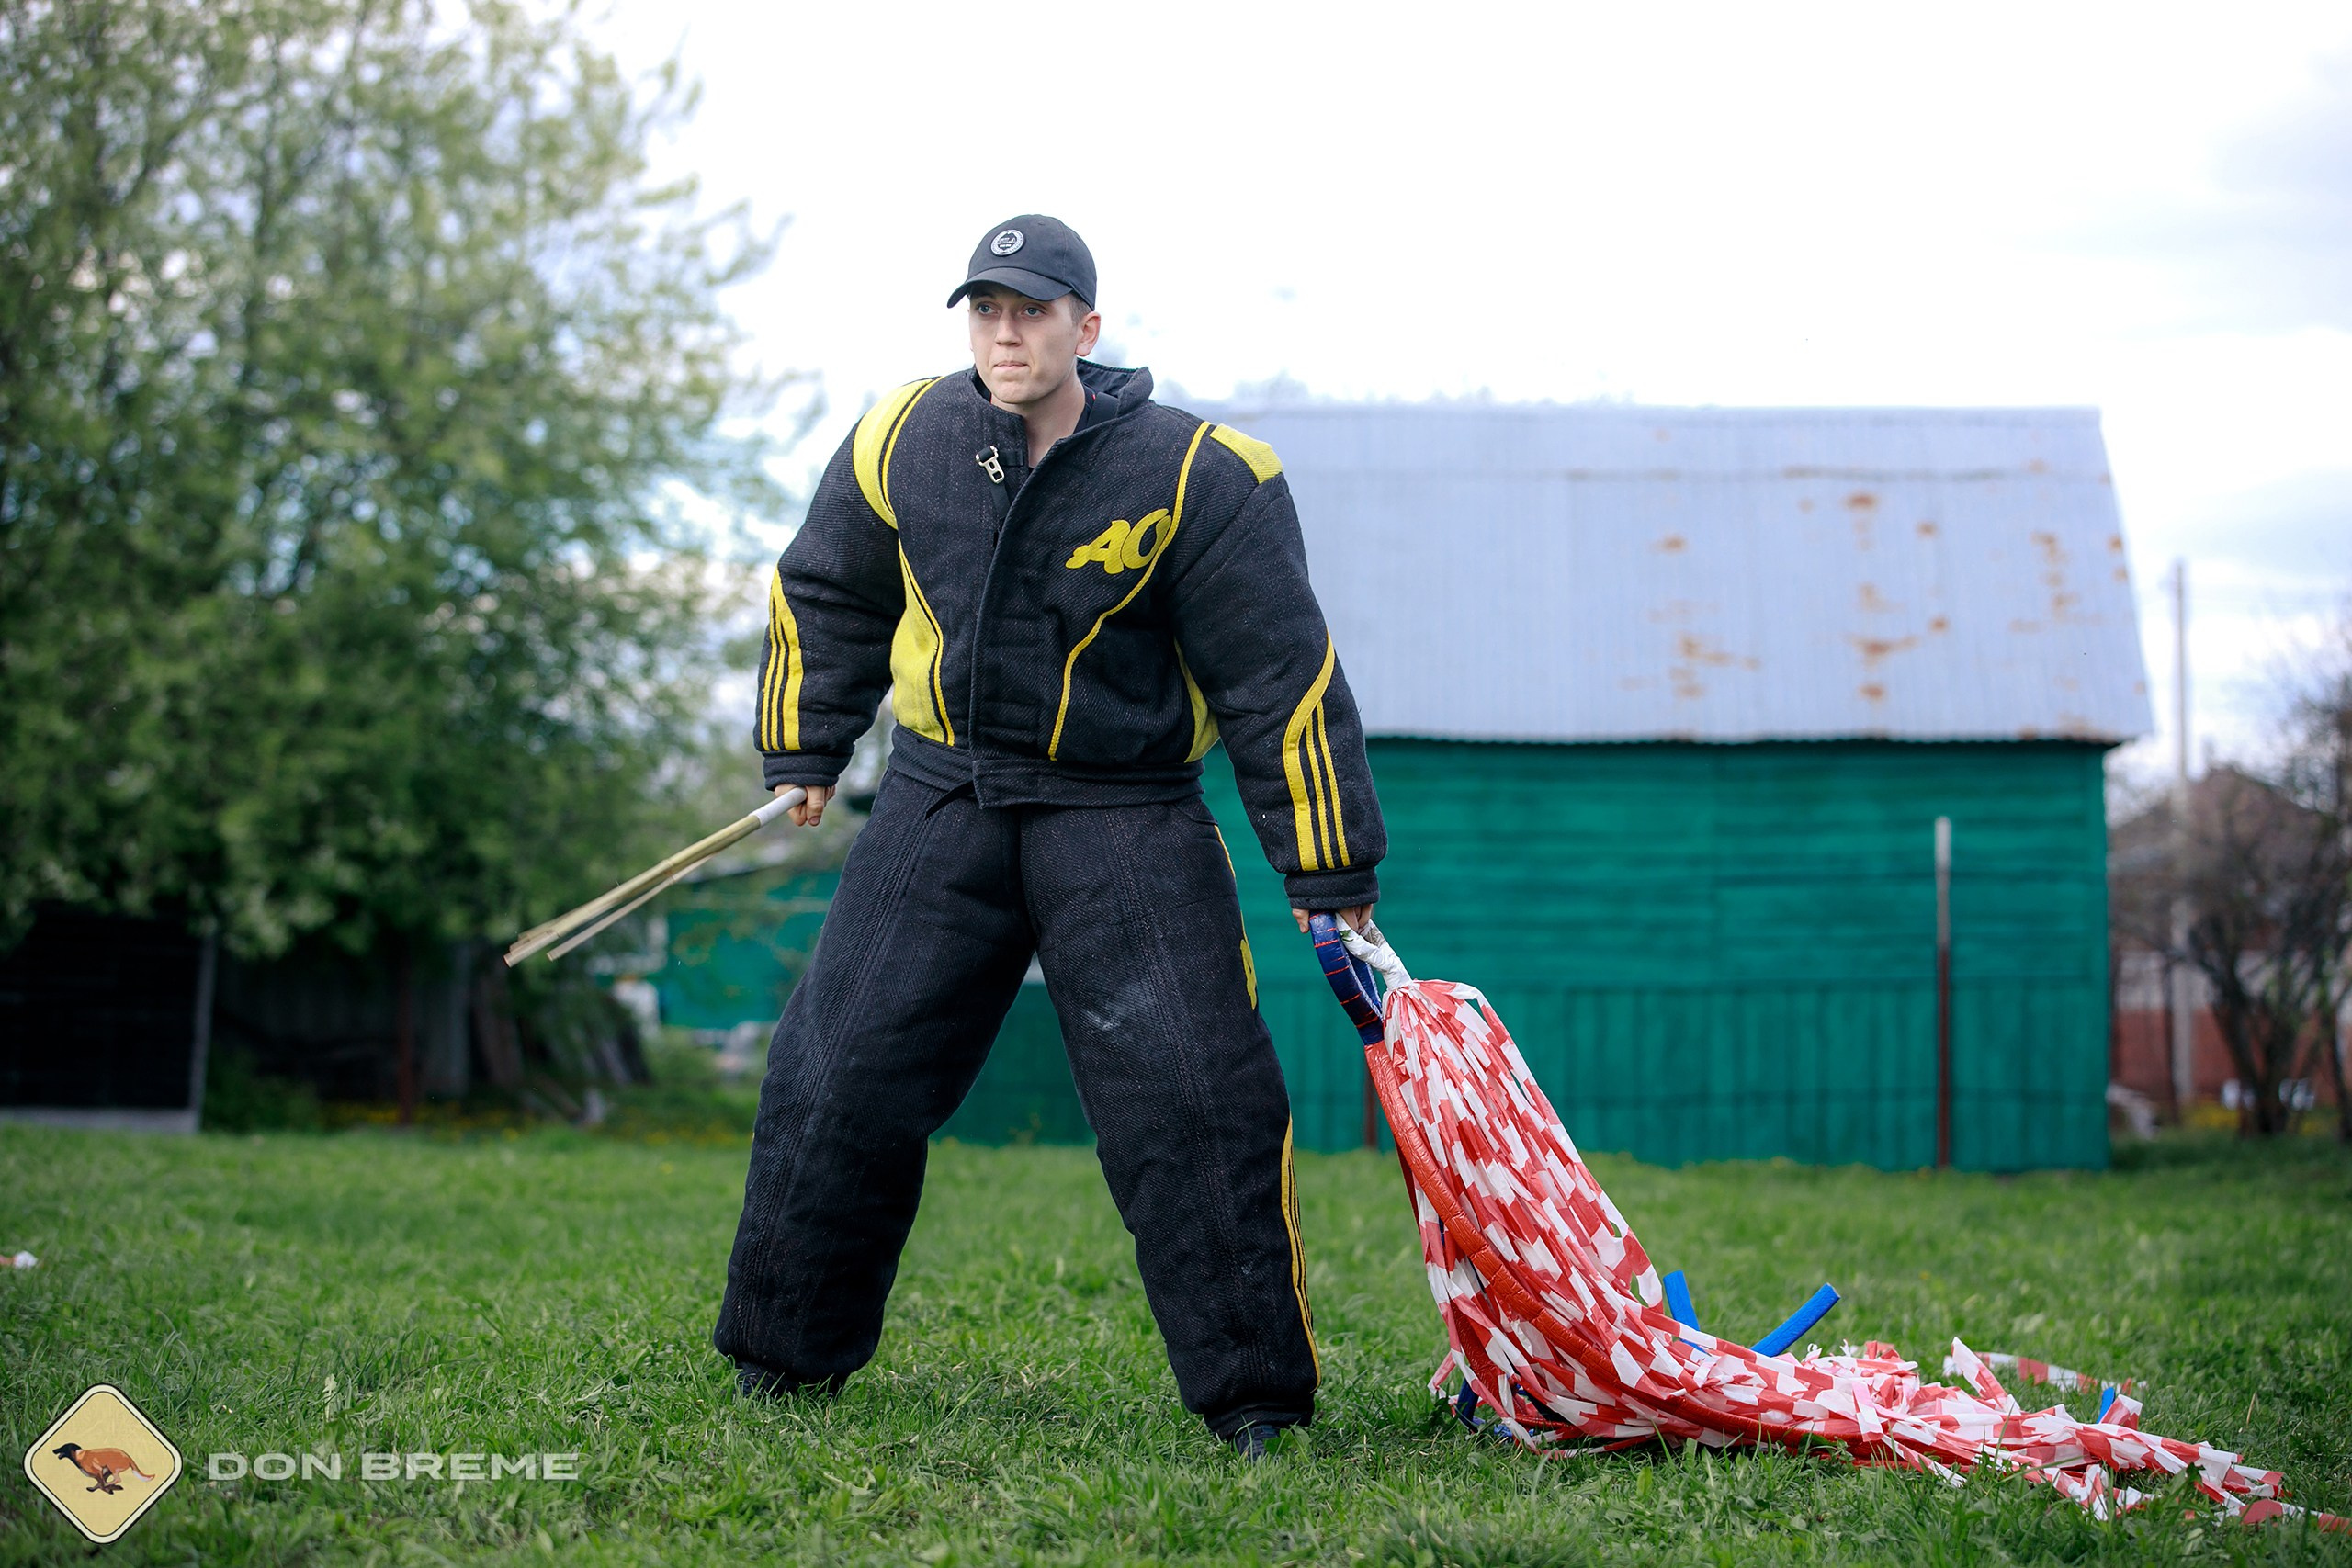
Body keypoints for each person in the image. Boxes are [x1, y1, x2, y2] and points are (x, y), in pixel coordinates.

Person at [715, 214, 1385, 1458]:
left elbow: (1279, 678)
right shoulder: (899, 439)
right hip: (939, 798)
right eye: (985, 310)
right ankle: (779, 1362)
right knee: (836, 1071)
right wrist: (806, 746)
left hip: (1123, 814)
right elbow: (826, 588)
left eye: (1031, 312)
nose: (1005, 333)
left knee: (1197, 1097)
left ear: (1087, 326)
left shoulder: (1201, 474)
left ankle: (1254, 1403)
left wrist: (1326, 863)